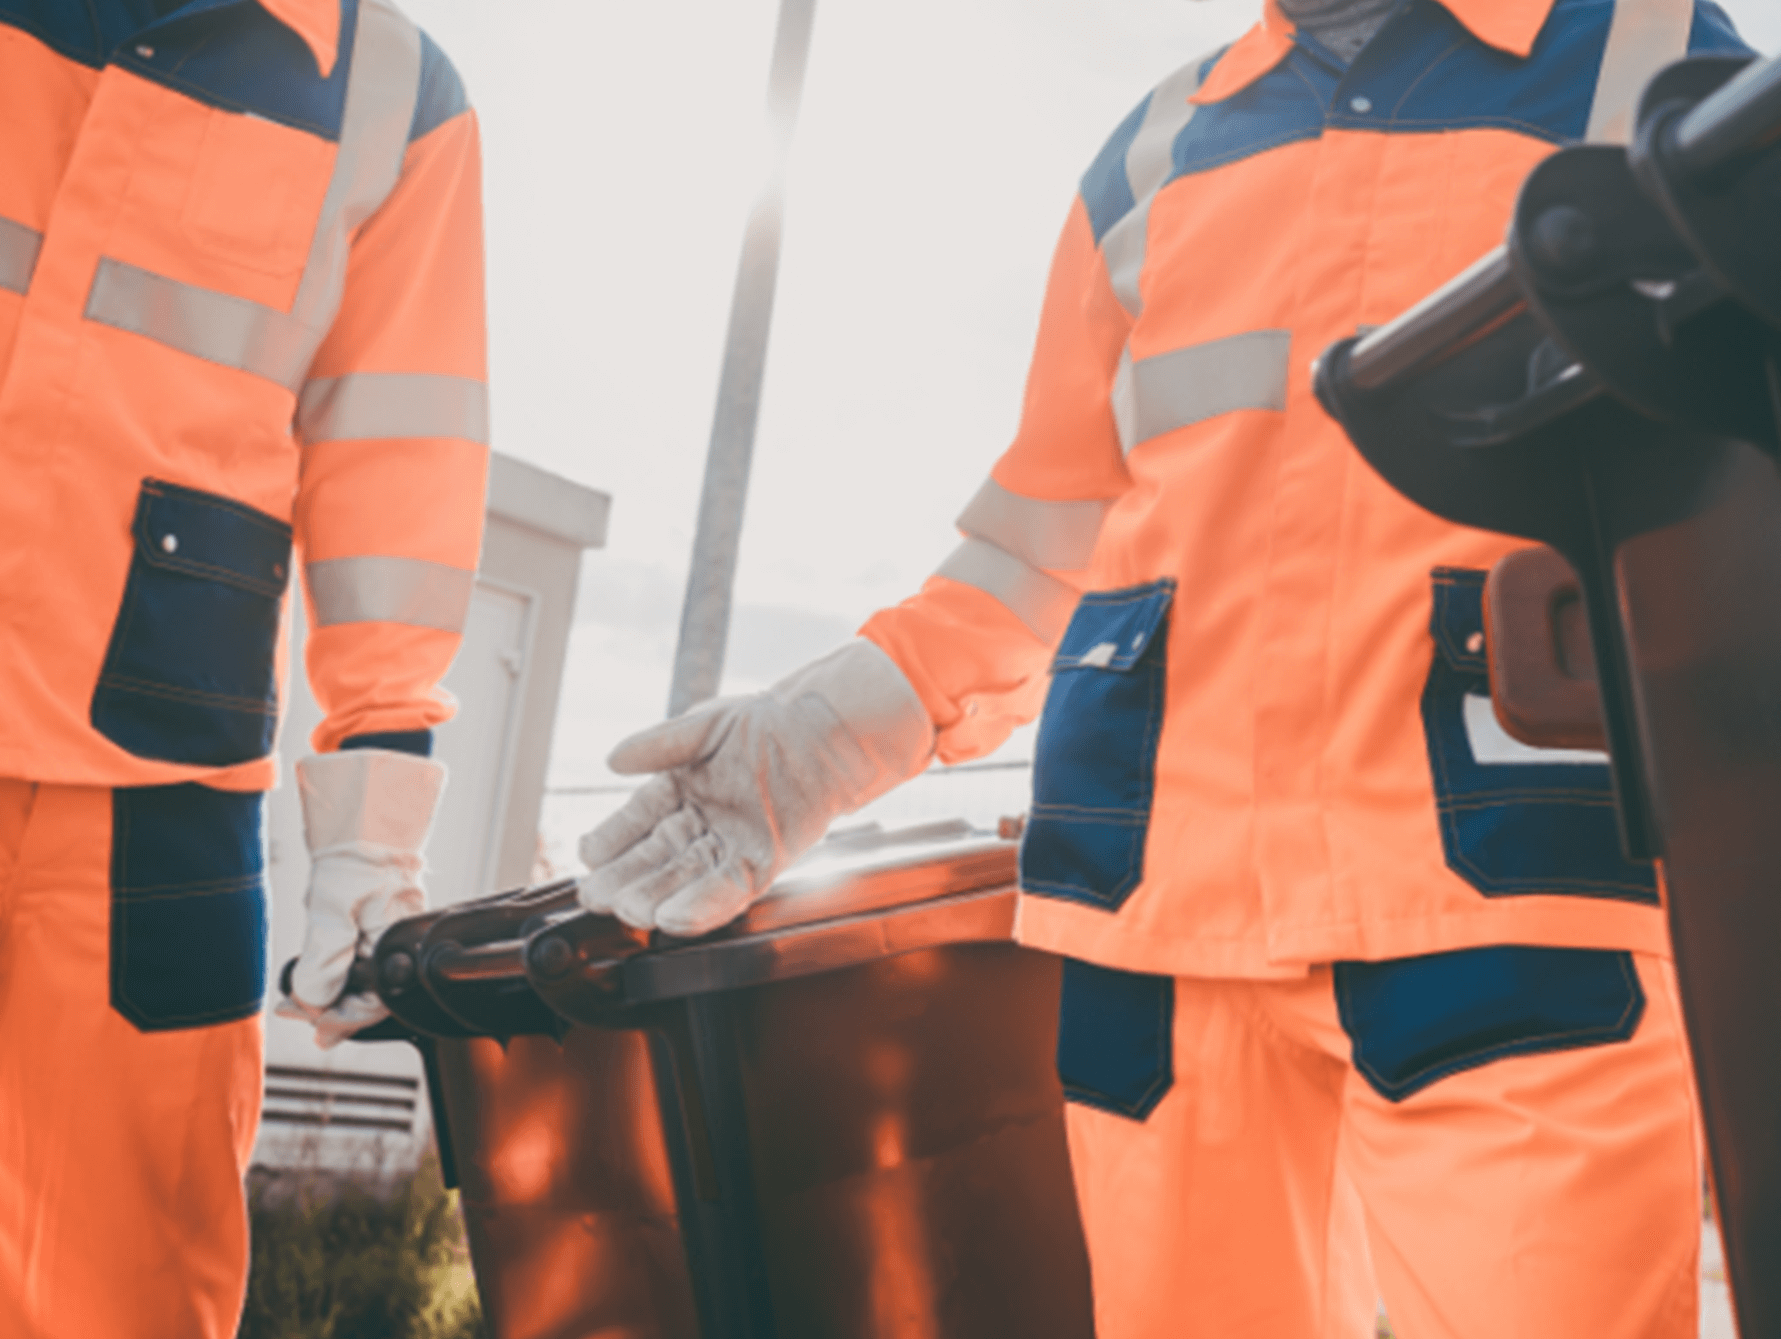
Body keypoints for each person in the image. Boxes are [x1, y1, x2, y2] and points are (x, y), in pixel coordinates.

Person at [577, 0, 1755, 1335]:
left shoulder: (1658, 69)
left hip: (1512, 912)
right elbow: (1040, 545)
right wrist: (824, 736)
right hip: (1161, 938)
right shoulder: (1151, 156)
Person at [0, 0, 488, 1334]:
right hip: (157, 755)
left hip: (154, 805)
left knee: (130, 1297)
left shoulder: (392, 98)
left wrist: (372, 840)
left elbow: (399, 466)